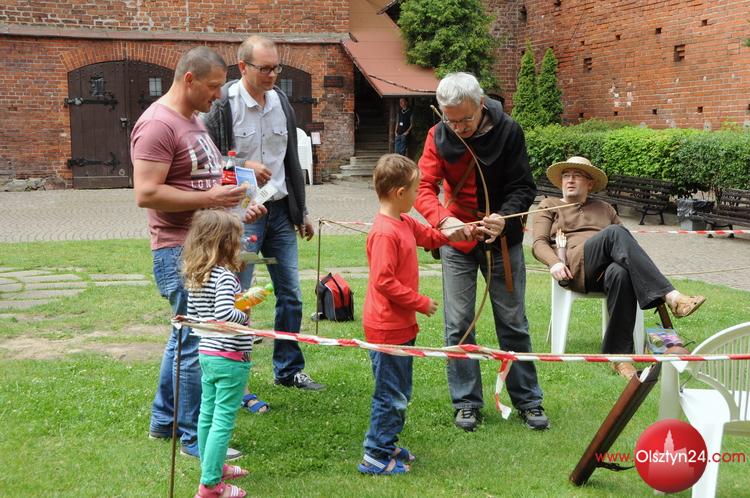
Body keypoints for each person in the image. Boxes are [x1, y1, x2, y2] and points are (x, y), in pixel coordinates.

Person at [131, 46, 253, 460]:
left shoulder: (194, 121)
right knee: (197, 343)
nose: (218, 96)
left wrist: (234, 199)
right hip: (178, 250)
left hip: (201, 246)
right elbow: (147, 193)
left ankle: (164, 420)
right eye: (213, 87)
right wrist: (212, 199)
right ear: (189, 79)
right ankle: (192, 437)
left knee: (183, 336)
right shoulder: (158, 125)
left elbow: (203, 181)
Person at [415, 72, 549, 432]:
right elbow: (423, 186)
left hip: (502, 240)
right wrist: (444, 221)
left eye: (465, 119)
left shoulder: (509, 131)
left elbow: (523, 186)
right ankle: (466, 403)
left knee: (513, 323)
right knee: (459, 324)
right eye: (451, 120)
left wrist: (503, 217)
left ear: (481, 104)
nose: (458, 128)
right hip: (457, 240)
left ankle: (528, 400)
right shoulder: (437, 134)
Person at [203, 35, 322, 392]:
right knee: (236, 297)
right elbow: (207, 161)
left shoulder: (281, 102)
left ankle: (288, 369)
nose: (272, 75)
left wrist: (302, 211)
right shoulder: (223, 103)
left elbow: (291, 161)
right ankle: (234, 377)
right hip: (241, 216)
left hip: (281, 211)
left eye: (276, 68)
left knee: (291, 294)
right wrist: (243, 166)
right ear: (243, 67)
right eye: (265, 68)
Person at [531, 156, 706, 379]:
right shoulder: (549, 205)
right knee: (614, 233)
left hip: (606, 272)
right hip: (573, 266)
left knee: (622, 273)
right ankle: (672, 297)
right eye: (566, 175)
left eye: (577, 175)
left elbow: (626, 245)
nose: (570, 180)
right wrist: (554, 262)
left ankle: (619, 357)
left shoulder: (604, 208)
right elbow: (538, 243)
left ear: (590, 183)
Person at [358, 154, 473, 475]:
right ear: (399, 193)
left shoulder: (404, 222)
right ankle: (375, 456)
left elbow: (430, 236)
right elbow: (383, 281)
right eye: (415, 189)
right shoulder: (385, 233)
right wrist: (419, 302)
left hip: (401, 326)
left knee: (399, 390)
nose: (420, 195)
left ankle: (386, 443)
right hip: (386, 328)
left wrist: (460, 232)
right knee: (390, 394)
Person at [182, 210, 253, 498]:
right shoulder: (225, 277)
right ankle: (210, 485)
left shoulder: (197, 276)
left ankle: (213, 467)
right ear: (225, 244)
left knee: (207, 415)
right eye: (238, 239)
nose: (241, 244)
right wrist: (244, 314)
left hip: (207, 355)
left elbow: (193, 317)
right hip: (230, 358)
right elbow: (225, 314)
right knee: (222, 420)